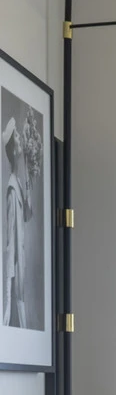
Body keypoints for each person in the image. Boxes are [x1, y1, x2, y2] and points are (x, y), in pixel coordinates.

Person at [1, 117, 33, 329]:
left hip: (20, 269)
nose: (22, 139)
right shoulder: (12, 190)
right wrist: (7, 297)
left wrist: (28, 169)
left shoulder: (19, 183)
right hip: (15, 273)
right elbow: (10, 242)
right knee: (18, 319)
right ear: (14, 150)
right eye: (18, 138)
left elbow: (29, 213)